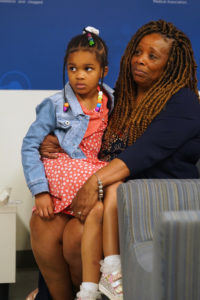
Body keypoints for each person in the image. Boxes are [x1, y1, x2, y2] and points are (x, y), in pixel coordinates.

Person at [27, 19, 200, 300]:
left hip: (143, 198)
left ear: (170, 65)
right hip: (104, 191)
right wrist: (56, 140)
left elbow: (142, 154)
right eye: (138, 52)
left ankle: (86, 291)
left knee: (74, 238)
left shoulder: (183, 102)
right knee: (42, 224)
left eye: (152, 56)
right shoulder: (118, 97)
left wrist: (93, 182)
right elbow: (87, 133)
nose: (140, 60)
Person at [22, 26, 124, 300]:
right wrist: (40, 191)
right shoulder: (56, 105)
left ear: (103, 70)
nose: (79, 75)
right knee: (44, 230)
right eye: (72, 68)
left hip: (89, 181)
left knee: (106, 195)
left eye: (88, 69)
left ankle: (92, 288)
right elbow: (30, 145)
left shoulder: (112, 100)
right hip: (59, 187)